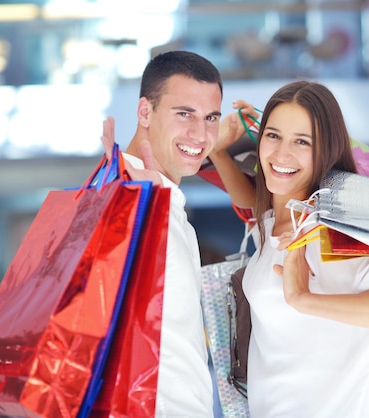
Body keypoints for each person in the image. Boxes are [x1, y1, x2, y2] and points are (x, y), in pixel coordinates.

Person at [208, 81, 369, 417]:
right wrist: (218, 153)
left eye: (302, 141)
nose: (281, 154)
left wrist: (303, 298)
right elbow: (256, 210)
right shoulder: (276, 226)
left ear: (326, 150)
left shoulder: (334, 235)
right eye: (273, 136)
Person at [99, 50, 248, 417]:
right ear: (145, 112)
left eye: (210, 117)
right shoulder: (129, 201)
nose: (200, 134)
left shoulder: (158, 199)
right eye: (184, 114)